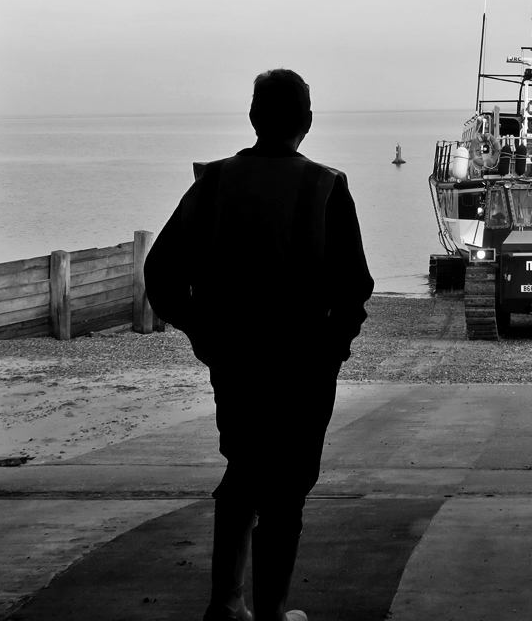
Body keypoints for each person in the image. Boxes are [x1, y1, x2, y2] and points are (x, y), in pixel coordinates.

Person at [147, 69, 374, 621]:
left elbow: (161, 271)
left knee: (243, 470)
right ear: (308, 122)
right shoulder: (326, 186)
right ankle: (271, 613)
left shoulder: (215, 182)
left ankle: (226, 603)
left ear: (252, 118)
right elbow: (354, 286)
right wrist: (332, 349)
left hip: (236, 360)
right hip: (303, 366)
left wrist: (201, 330)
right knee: (287, 489)